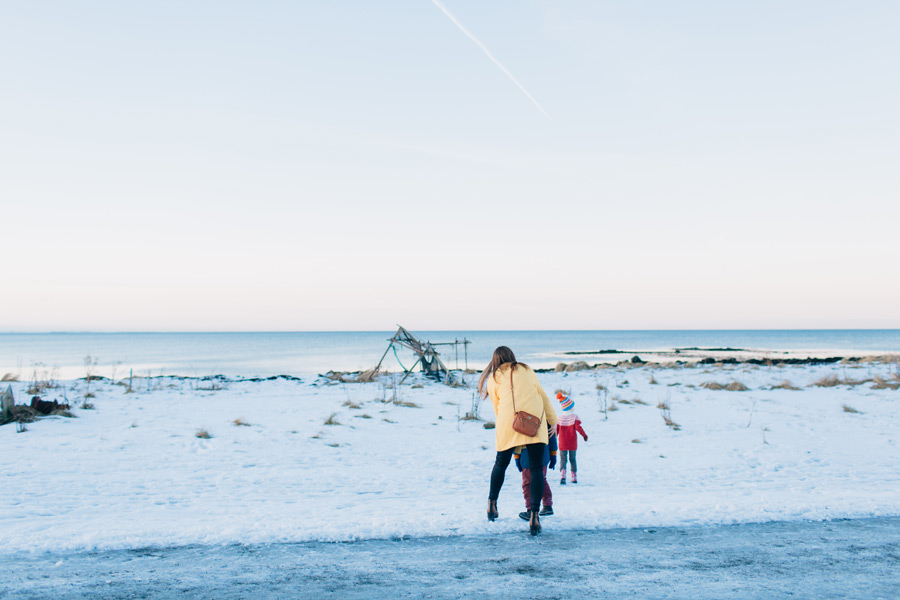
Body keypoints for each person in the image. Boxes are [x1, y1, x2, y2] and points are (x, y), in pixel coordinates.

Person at [479, 346, 558, 535]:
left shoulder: (494, 377)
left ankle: (492, 505)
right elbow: (542, 395)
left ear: (495, 359)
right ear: (512, 357)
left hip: (508, 423)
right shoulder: (526, 369)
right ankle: (534, 516)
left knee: (500, 464)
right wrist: (553, 421)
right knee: (537, 469)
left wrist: (507, 425)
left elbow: (498, 407)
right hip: (533, 423)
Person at [514, 423, 557, 520]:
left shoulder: (522, 418)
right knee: (541, 479)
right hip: (543, 454)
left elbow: (516, 439)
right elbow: (552, 437)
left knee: (528, 483)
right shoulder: (545, 416)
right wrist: (553, 454)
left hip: (527, 455)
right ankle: (547, 505)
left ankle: (530, 509)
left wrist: (517, 457)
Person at [556, 392, 588, 484]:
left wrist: (552, 439)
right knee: (572, 459)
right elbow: (578, 428)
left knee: (563, 459)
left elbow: (556, 431)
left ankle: (563, 475)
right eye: (572, 406)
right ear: (569, 407)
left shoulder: (559, 418)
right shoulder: (574, 417)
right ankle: (574, 476)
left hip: (562, 443)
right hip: (572, 443)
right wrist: (584, 435)